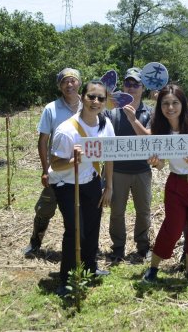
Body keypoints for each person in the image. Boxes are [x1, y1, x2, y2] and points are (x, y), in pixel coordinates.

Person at [48, 79, 115, 295]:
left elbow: (110, 157)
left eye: (100, 98)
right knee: (76, 230)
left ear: (105, 102)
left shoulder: (106, 125)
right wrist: (72, 161)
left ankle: (90, 268)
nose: (95, 101)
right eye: (91, 96)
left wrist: (109, 187)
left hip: (92, 181)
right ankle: (66, 279)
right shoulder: (66, 130)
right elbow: (55, 164)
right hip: (67, 184)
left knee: (93, 227)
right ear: (82, 97)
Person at [142, 84, 188, 282]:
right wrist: (155, 163)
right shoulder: (159, 130)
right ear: (160, 106)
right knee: (172, 226)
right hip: (176, 183)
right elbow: (161, 164)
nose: (170, 107)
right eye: (165, 103)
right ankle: (154, 268)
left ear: (182, 104)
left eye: (175, 103)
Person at [24, 68, 82, 258]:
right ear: (59, 86)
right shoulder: (51, 108)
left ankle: (82, 248)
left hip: (82, 171)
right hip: (57, 169)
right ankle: (35, 243)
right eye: (65, 81)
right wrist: (45, 170)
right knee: (44, 209)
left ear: (79, 83)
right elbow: (43, 141)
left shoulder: (89, 105)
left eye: (72, 80)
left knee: (80, 212)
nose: (69, 85)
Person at [105, 68, 153, 262]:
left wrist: (133, 119)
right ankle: (118, 247)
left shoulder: (149, 111)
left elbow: (150, 138)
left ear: (142, 88)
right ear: (123, 86)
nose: (131, 88)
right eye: (128, 84)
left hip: (142, 170)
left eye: (136, 84)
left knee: (143, 211)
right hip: (117, 170)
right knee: (117, 212)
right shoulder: (111, 110)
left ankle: (143, 246)